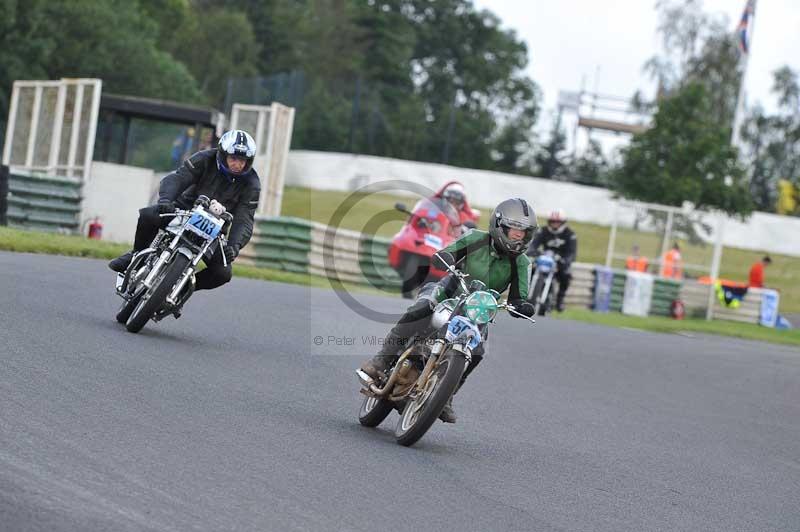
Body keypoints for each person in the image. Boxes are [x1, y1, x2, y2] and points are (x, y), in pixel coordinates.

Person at [360, 198, 537, 423]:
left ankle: (447, 395)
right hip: (449, 292)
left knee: (479, 350)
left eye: (524, 231)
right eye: (515, 229)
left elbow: (518, 297)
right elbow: (448, 252)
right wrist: (445, 257)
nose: (518, 236)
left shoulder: (522, 263)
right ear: (500, 226)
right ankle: (381, 361)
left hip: (478, 311)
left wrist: (522, 305)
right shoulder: (475, 238)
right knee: (421, 309)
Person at [108, 129, 261, 293]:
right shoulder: (204, 158)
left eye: (243, 160)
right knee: (148, 215)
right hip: (184, 211)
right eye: (234, 158)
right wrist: (166, 200)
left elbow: (245, 219)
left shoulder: (252, 184)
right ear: (223, 154)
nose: (238, 164)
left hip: (215, 231)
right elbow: (178, 178)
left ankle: (185, 288)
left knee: (223, 273)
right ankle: (136, 256)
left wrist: (234, 246)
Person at [526, 208, 577, 312]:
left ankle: (560, 300)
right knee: (528, 270)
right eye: (553, 221)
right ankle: (525, 294)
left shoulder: (570, 234)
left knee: (566, 275)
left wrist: (566, 260)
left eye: (557, 222)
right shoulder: (543, 230)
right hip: (544, 259)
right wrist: (532, 252)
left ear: (563, 222)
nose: (555, 224)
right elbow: (533, 244)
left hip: (559, 261)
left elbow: (572, 252)